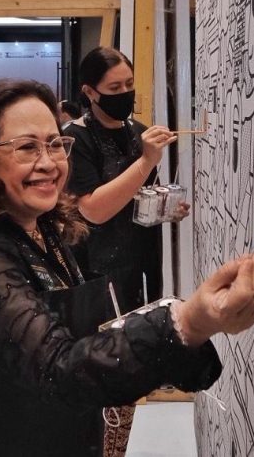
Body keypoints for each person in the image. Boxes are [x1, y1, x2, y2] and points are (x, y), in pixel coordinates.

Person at [0, 79, 254, 457]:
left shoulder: (45, 227)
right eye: (27, 147)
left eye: (55, 144)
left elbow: (76, 338)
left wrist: (184, 332)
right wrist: (187, 322)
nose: (48, 162)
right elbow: (57, 367)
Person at [65, 46, 190, 317]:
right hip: (97, 270)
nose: (124, 93)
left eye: (129, 84)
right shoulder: (76, 138)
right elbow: (93, 210)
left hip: (143, 265)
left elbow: (141, 198)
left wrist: (166, 208)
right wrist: (146, 162)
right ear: (90, 92)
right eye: (114, 87)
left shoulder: (138, 132)